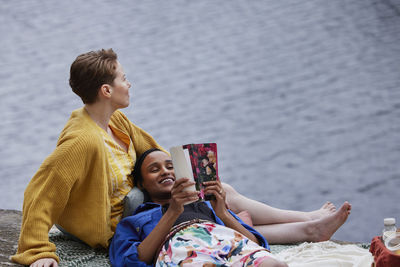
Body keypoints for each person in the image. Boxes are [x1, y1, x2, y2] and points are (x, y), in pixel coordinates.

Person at [11, 48, 351, 267]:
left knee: (215, 193)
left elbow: (152, 152)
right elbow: (41, 192)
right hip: (119, 221)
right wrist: (38, 251)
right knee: (206, 212)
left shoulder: (115, 121)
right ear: (106, 91)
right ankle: (307, 227)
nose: (130, 84)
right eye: (123, 79)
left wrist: (190, 176)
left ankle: (307, 223)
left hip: (139, 201)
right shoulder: (82, 141)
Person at [109, 148, 288, 266]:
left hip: (223, 240)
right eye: (155, 169)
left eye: (171, 166)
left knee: (275, 265)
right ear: (141, 184)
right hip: (183, 250)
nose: (165, 171)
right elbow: (132, 260)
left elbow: (256, 243)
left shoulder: (206, 207)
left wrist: (223, 214)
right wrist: (172, 212)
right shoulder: (135, 220)